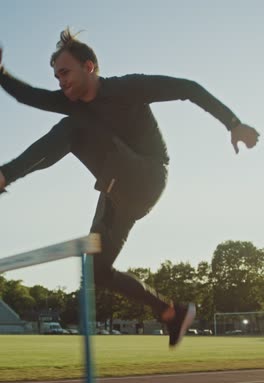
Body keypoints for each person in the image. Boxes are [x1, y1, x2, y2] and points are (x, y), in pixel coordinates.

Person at [0, 29, 260, 347]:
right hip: (117, 193)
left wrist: (233, 123)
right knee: (96, 269)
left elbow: (188, 89)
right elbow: (29, 96)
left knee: (72, 127)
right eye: (56, 77)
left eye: (65, 72)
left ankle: (4, 176)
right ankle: (170, 312)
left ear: (89, 67)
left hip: (146, 175)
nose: (60, 82)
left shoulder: (126, 88)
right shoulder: (72, 103)